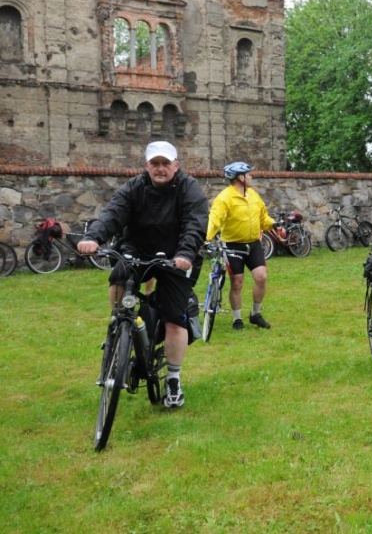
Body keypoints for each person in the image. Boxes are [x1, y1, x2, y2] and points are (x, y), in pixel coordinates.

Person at [78, 141, 208, 408]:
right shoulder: (134, 188)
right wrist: (93, 237)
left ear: (176, 165)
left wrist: (184, 255)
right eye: (154, 164)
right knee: (118, 278)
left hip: (175, 256)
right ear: (147, 166)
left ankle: (173, 379)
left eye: (165, 163)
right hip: (137, 249)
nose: (160, 169)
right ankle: (118, 328)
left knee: (175, 320)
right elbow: (113, 213)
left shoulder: (188, 188)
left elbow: (196, 223)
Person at [206, 161, 276, 330]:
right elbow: (215, 220)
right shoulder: (224, 198)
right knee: (237, 282)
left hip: (253, 244)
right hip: (232, 245)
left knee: (261, 277)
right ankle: (237, 318)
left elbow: (262, 218)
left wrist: (273, 224)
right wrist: (206, 237)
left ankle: (255, 314)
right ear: (239, 177)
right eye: (248, 174)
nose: (251, 177)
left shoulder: (253, 195)